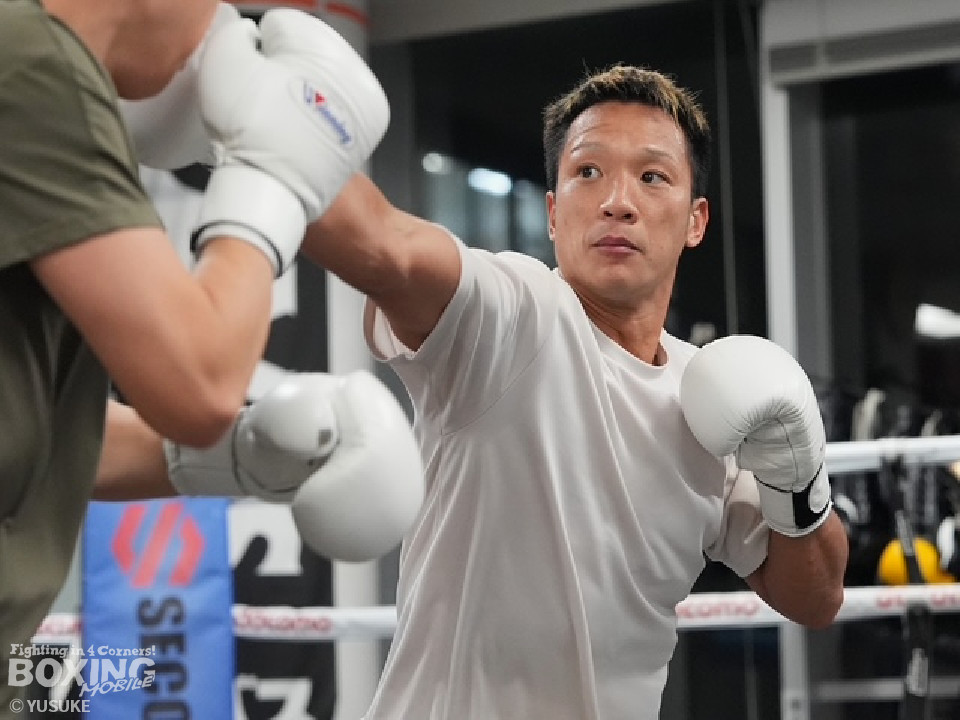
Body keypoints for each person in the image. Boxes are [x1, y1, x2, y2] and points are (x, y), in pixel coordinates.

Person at [298, 64, 851, 719]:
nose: (618, 200)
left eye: (653, 177)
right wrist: (280, 136)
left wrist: (799, 475)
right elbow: (389, 248)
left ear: (695, 221)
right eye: (588, 171)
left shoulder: (708, 397)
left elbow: (816, 599)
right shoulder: (513, 315)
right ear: (553, 212)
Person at [0, 0, 396, 710]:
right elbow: (199, 386)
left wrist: (239, 455)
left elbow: (33, 430)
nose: (223, 21)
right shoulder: (29, 65)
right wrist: (273, 175)